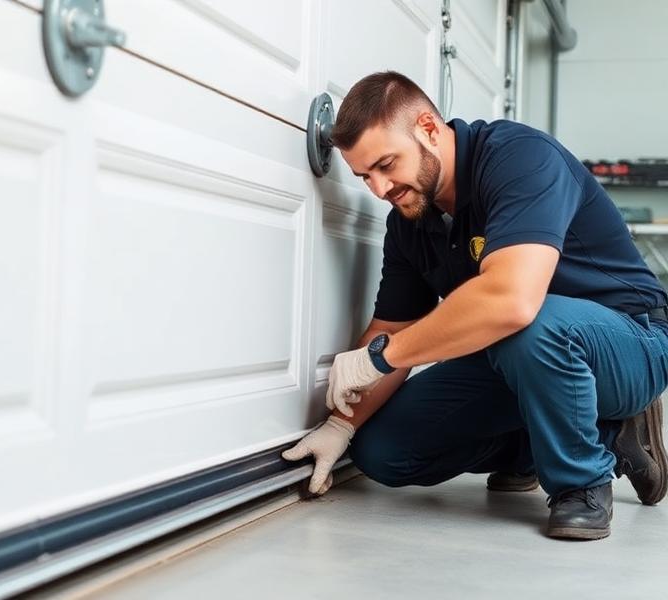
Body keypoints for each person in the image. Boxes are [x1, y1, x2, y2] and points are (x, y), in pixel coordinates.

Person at [282, 71, 668, 540]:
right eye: (365, 176)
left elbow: (511, 301)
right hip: (520, 358)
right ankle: (560, 446)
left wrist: (380, 358)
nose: (380, 189)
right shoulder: (409, 220)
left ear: (428, 128)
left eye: (386, 165)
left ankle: (581, 481)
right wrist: (340, 426)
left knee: (529, 326)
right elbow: (392, 328)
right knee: (383, 451)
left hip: (631, 344)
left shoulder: (520, 159)